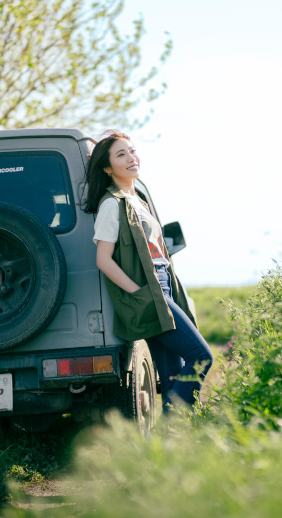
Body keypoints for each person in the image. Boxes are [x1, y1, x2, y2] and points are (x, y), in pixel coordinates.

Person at [83, 130, 213, 412]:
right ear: (108, 168)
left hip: (162, 287)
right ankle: (175, 423)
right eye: (121, 154)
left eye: (132, 150)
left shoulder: (138, 202)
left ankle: (170, 442)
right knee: (201, 356)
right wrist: (139, 294)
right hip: (149, 293)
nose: (131, 157)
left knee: (172, 376)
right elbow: (103, 259)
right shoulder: (111, 204)